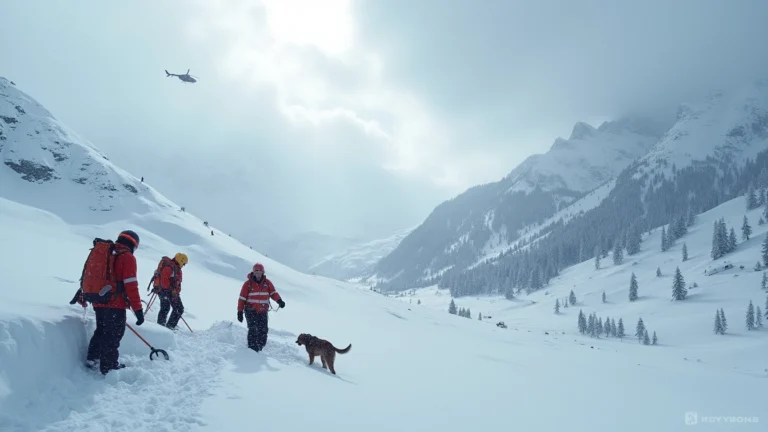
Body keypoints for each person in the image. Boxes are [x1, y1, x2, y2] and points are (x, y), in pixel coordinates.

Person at [83, 230, 144, 375]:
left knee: (101, 330)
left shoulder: (106, 252)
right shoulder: (127, 257)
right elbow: (131, 286)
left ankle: (92, 358)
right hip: (115, 303)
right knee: (113, 335)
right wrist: (138, 310)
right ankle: (109, 366)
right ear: (133, 244)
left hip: (99, 300)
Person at [237, 263, 285, 352]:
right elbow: (242, 298)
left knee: (263, 331)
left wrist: (279, 300)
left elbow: (273, 293)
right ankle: (252, 350)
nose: (258, 274)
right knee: (253, 329)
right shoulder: (247, 284)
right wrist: (239, 311)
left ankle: (260, 348)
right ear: (253, 272)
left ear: (263, 273)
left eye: (260, 272)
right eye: (256, 272)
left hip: (263, 311)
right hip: (250, 311)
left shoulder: (267, 283)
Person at [152, 252, 188, 329]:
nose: (184, 265)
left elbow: (177, 283)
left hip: (171, 292)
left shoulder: (177, 269)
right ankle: (162, 327)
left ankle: (168, 326)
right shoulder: (170, 268)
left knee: (178, 308)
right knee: (166, 307)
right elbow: (164, 282)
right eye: (184, 263)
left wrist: (176, 292)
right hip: (164, 291)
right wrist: (172, 292)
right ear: (181, 261)